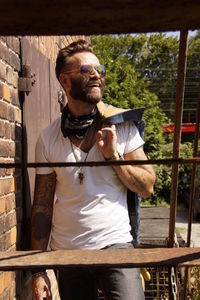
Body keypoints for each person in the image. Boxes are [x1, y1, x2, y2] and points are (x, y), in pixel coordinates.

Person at [31, 39, 156, 300]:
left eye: (100, 69)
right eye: (87, 70)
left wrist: (114, 157)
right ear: (65, 81)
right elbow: (42, 207)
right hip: (68, 252)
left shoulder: (121, 126)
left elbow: (147, 186)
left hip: (116, 244)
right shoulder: (48, 138)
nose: (97, 75)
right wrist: (39, 269)